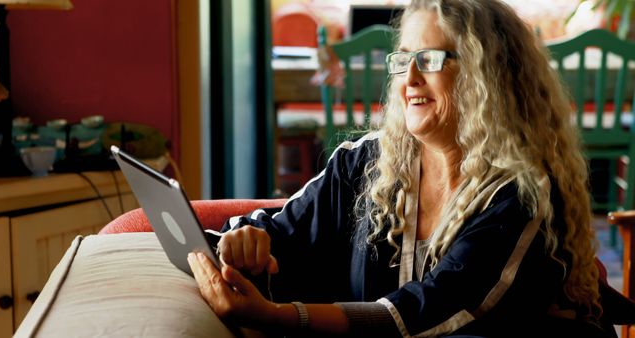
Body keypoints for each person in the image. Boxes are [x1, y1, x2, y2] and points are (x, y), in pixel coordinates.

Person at [186, 0, 619, 336]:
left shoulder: (523, 192)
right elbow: (273, 229)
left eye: (431, 59)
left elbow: (429, 309)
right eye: (403, 58)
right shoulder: (364, 162)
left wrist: (280, 317)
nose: (409, 77)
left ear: (486, 75)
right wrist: (242, 243)